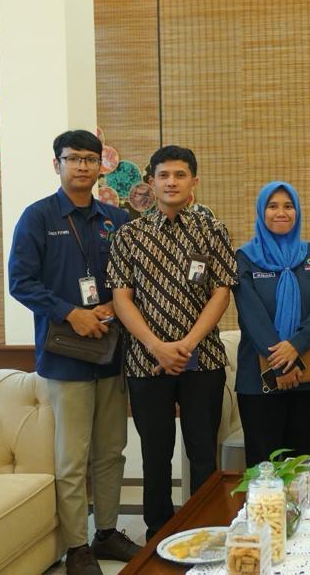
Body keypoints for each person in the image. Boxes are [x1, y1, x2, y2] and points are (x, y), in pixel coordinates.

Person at [8, 129, 139, 575]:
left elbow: (131, 278)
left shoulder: (116, 219)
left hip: (111, 352)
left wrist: (113, 307)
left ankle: (107, 532)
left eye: (90, 159)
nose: (82, 166)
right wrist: (70, 312)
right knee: (72, 458)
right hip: (66, 356)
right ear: (57, 164)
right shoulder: (37, 217)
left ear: (102, 166)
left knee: (112, 449)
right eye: (73, 158)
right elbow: (21, 282)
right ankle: (77, 546)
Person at [107, 145, 238, 540]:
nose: (171, 182)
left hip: (204, 361)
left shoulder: (212, 230)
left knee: (203, 453)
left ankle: (205, 530)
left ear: (194, 181)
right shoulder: (129, 234)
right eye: (163, 175)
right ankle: (159, 535)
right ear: (151, 182)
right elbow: (121, 298)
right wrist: (156, 346)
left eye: (180, 175)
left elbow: (221, 292)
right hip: (147, 362)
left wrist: (187, 344)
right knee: (156, 454)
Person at [233, 181, 310, 465]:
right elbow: (251, 316)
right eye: (273, 206)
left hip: (307, 375)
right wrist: (282, 363)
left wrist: (296, 346)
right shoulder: (245, 258)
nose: (281, 212)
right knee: (264, 466)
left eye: (288, 206)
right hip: (259, 378)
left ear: (297, 211)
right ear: (261, 212)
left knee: (302, 464)